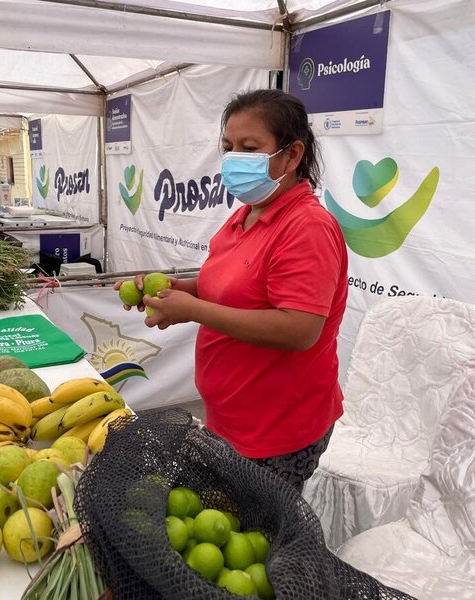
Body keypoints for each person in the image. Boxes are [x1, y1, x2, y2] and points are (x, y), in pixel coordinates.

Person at [115, 90, 349, 489]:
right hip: (230, 417)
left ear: (292, 155)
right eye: (228, 147)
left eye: (249, 147)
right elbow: (225, 288)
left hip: (276, 430)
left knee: (254, 541)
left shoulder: (306, 227)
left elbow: (300, 329)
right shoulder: (245, 215)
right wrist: (177, 288)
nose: (233, 158)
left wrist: (192, 310)